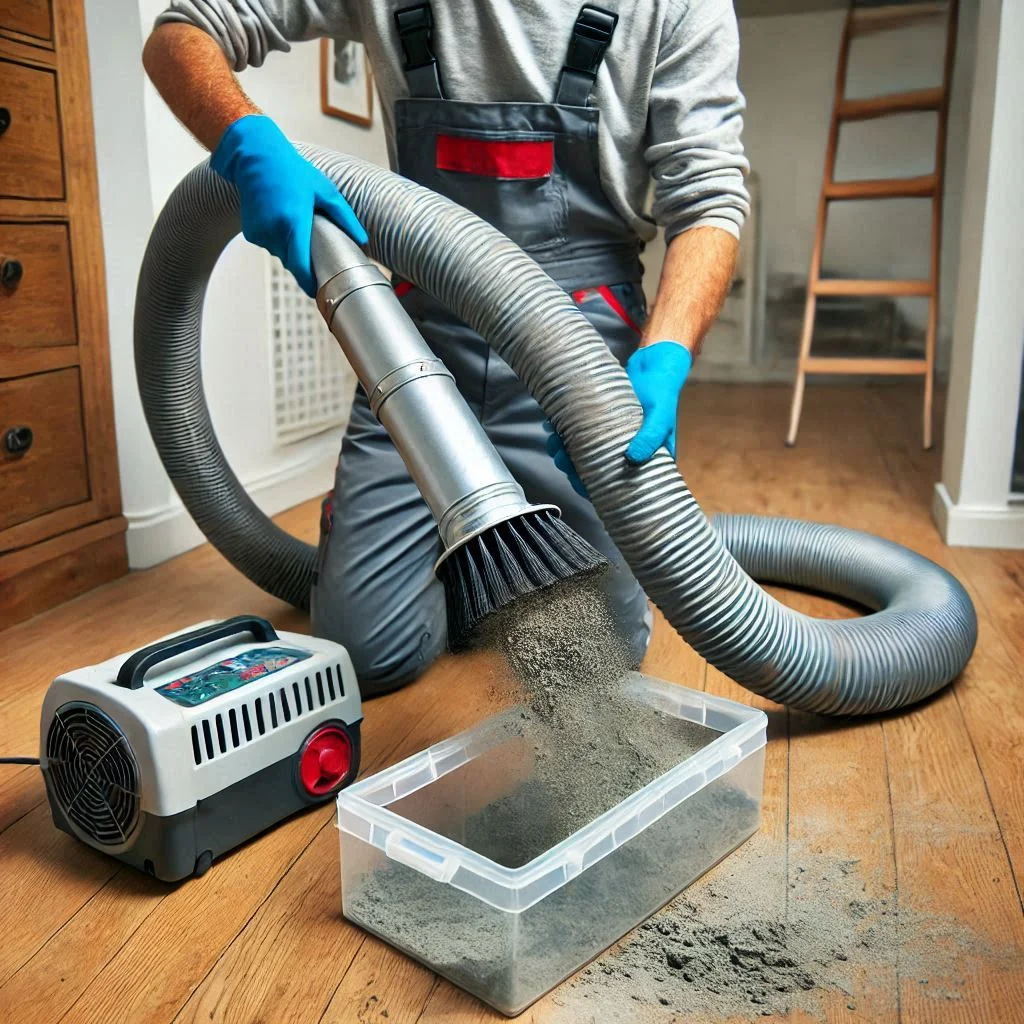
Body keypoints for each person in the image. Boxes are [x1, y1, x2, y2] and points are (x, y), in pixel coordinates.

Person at [143, 1, 749, 693]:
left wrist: (665, 355)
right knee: (367, 655)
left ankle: (478, 547)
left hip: (578, 352)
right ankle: (442, 545)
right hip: (421, 352)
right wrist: (244, 138)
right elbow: (179, 33)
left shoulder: (676, 7)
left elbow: (706, 199)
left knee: (599, 654)